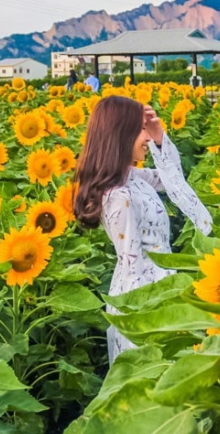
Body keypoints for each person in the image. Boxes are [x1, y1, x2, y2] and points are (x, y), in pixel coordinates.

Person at [73, 96, 212, 364]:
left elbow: (171, 179)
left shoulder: (132, 177)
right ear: (120, 134)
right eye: (140, 130)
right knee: (148, 368)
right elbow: (131, 264)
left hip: (160, 286)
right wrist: (148, 313)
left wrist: (160, 137)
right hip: (143, 296)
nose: (146, 137)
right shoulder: (118, 196)